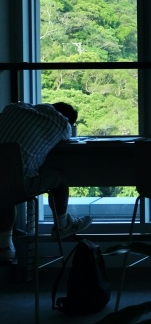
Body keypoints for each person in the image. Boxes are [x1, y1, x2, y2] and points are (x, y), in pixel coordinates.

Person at [0, 101, 91, 262]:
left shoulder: (13, 108)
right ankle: (62, 225)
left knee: (6, 185)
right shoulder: (63, 125)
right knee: (60, 178)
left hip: (4, 182)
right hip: (19, 185)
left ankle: (4, 246)